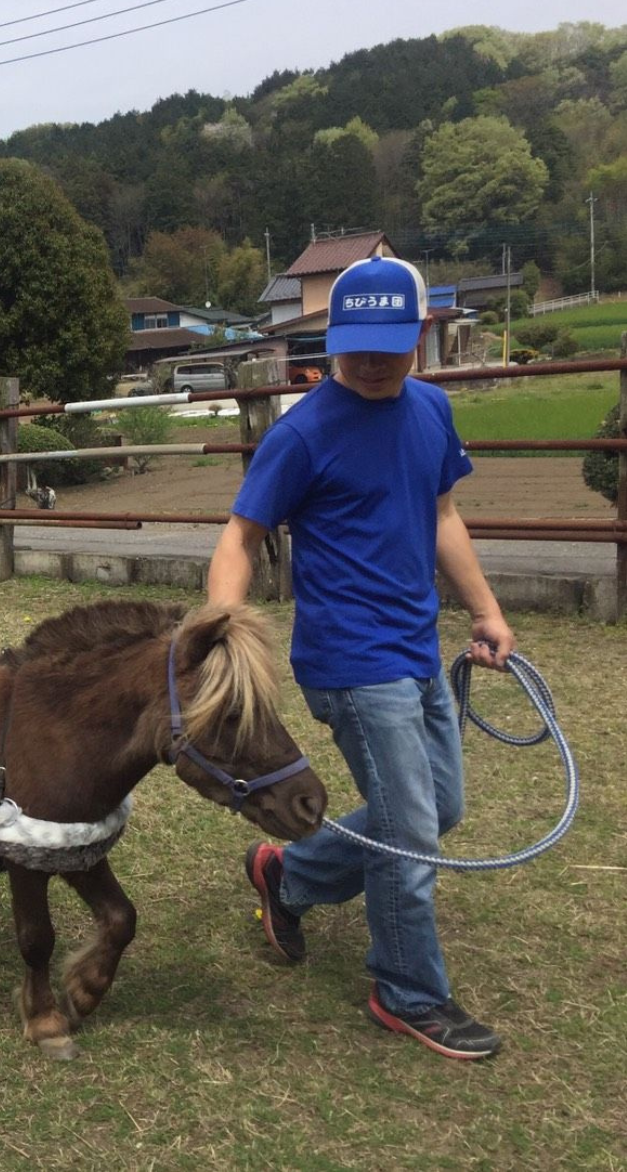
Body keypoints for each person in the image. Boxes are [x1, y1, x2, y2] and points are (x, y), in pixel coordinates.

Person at [207, 255, 516, 1061]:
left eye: (391, 342)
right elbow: (242, 536)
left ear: (422, 331)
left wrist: (484, 610)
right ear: (333, 338)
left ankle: (291, 875)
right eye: (357, 344)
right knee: (411, 831)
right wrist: (219, 632)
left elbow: (442, 512)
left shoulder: (432, 411)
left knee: (435, 811)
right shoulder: (303, 431)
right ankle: (409, 991)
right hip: (349, 660)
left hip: (417, 646)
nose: (373, 360)